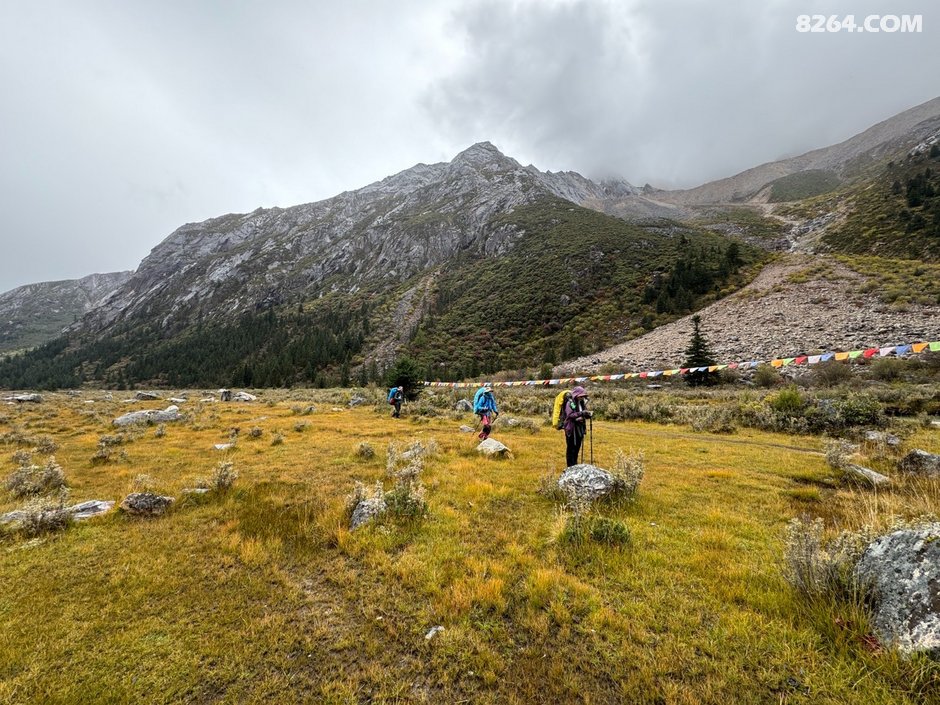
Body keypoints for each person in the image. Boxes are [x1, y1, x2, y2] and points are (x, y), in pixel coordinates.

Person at [561, 386, 592, 466]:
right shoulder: (570, 403)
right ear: (576, 394)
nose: (582, 397)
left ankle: (575, 465)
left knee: (577, 447)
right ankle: (570, 467)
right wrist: (582, 413)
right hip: (571, 429)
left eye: (583, 396)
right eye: (581, 396)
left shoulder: (581, 403)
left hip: (580, 428)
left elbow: (582, 413)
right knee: (571, 448)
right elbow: (570, 415)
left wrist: (587, 415)